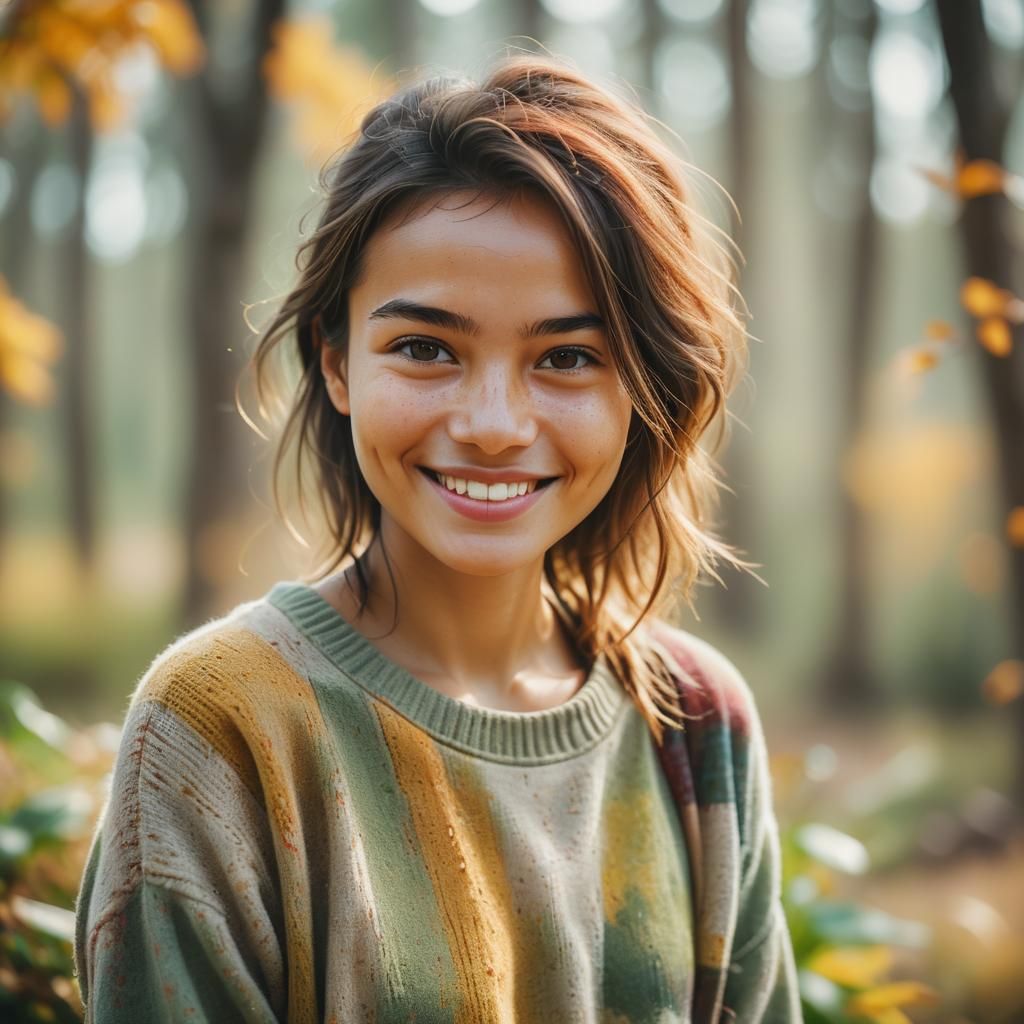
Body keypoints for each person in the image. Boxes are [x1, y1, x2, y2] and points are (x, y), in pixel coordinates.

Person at [73, 52, 802, 1023]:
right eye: (424, 348)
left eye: (569, 357)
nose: (494, 421)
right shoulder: (220, 730)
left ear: (642, 389)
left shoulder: (697, 725)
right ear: (336, 365)